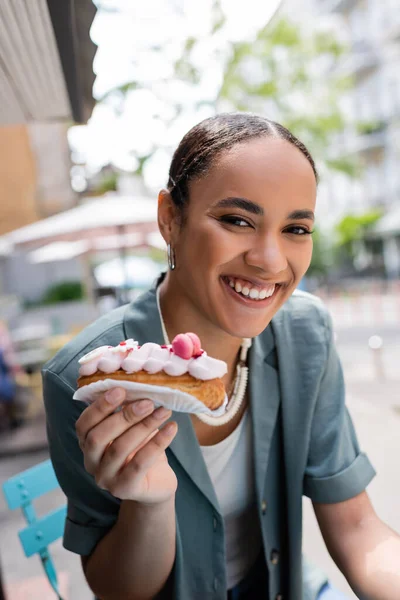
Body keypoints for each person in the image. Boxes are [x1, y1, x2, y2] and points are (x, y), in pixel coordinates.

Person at [42, 113, 400, 600]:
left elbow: (357, 527)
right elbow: (118, 590)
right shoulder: (85, 379)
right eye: (237, 220)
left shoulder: (305, 334)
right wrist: (147, 503)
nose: (271, 261)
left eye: (296, 228)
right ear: (171, 218)